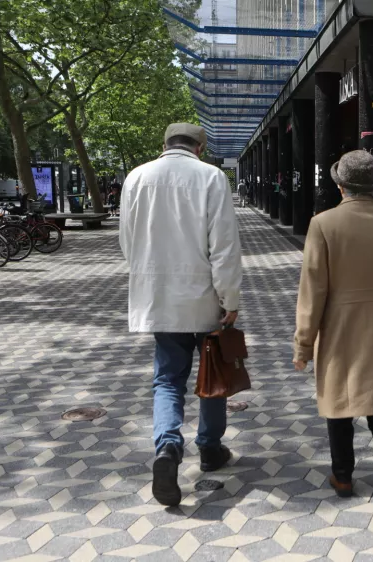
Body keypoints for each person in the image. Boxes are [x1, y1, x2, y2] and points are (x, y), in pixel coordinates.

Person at [293, 150, 373, 543]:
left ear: (340, 186)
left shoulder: (323, 223)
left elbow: (312, 289)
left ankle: (343, 475)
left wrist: (303, 343)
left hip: (341, 323)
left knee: (339, 403)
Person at [119, 123, 243, 507]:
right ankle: (209, 448)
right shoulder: (211, 177)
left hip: (158, 297)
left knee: (167, 379)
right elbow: (222, 244)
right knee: (212, 373)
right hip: (204, 296)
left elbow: (128, 241)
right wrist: (230, 297)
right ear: (200, 147)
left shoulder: (136, 177)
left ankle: (168, 447)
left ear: (164, 145)